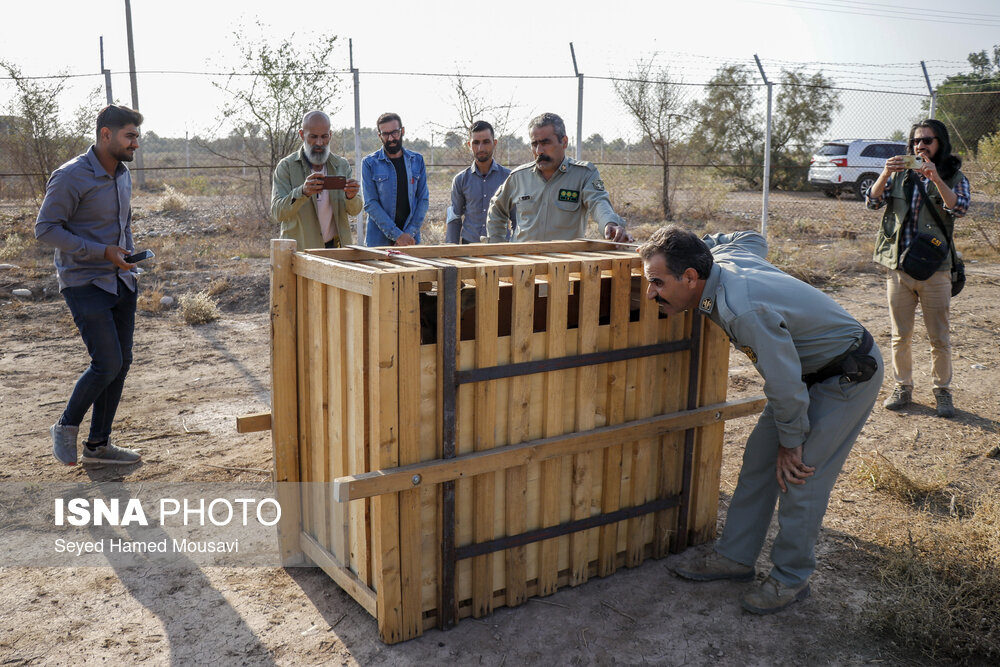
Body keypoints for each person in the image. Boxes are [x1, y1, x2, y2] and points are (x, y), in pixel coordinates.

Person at [639, 226, 883, 614]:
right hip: (808, 374)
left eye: (656, 282)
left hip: (845, 377)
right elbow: (752, 237)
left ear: (689, 277)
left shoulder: (742, 310)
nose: (650, 293)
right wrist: (705, 242)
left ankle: (791, 579)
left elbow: (784, 386)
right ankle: (735, 558)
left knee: (800, 477)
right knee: (757, 463)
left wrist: (791, 443)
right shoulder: (720, 259)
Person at [35, 104, 147, 466]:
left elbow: (123, 223)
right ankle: (66, 426)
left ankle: (98, 446)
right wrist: (102, 252)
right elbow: (46, 228)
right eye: (130, 136)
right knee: (106, 362)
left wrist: (127, 258)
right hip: (83, 281)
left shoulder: (123, 174)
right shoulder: (70, 176)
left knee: (122, 362)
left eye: (137, 136)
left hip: (121, 280)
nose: (136, 143)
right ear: (105, 134)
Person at [866, 119, 970, 419]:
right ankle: (903, 387)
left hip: (936, 270)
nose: (920, 146)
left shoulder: (954, 176)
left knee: (939, 336)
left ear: (941, 144)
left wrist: (936, 178)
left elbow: (960, 208)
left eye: (927, 141)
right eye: (915, 141)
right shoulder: (899, 176)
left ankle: (942, 391)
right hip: (899, 268)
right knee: (901, 335)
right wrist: (885, 172)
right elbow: (872, 203)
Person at [486, 112, 630, 243]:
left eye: (545, 143)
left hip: (564, 264)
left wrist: (609, 224)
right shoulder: (519, 177)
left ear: (564, 142)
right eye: (534, 144)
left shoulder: (583, 174)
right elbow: (496, 209)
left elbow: (599, 202)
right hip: (523, 263)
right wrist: (498, 247)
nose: (539, 151)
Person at [271, 110, 362, 249]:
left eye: (324, 136)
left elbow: (355, 210)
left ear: (330, 135)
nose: (319, 143)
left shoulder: (341, 165)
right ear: (302, 135)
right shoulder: (286, 167)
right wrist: (302, 192)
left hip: (336, 250)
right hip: (301, 251)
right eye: (313, 137)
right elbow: (278, 213)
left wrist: (351, 197)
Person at [362, 112, 429, 247]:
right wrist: (397, 235)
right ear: (379, 135)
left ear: (402, 131)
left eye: (395, 133)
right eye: (386, 134)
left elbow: (423, 199)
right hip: (379, 243)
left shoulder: (417, 160)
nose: (391, 138)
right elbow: (370, 203)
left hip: (411, 240)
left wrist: (408, 234)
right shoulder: (369, 163)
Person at [447, 120, 512, 244]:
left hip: (501, 248)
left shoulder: (508, 178)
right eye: (476, 143)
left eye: (486, 142)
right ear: (469, 145)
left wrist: (517, 248)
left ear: (494, 143)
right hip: (469, 247)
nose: (481, 148)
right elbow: (455, 217)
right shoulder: (460, 180)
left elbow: (517, 217)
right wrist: (451, 250)